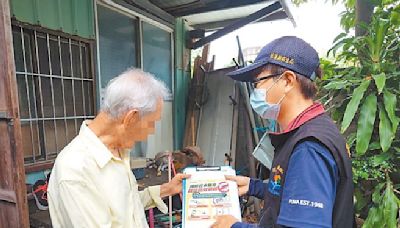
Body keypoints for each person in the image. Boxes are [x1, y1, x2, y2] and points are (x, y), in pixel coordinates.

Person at [211, 36, 354, 228]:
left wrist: (234, 226)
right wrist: (254, 186)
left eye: (258, 82)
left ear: (287, 80)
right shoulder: (313, 130)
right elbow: (296, 188)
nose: (256, 91)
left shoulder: (309, 147)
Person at [47, 68, 190, 227]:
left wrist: (167, 189)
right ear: (131, 118)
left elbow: (127, 206)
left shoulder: (116, 153)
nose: (151, 131)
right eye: (151, 123)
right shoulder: (76, 170)